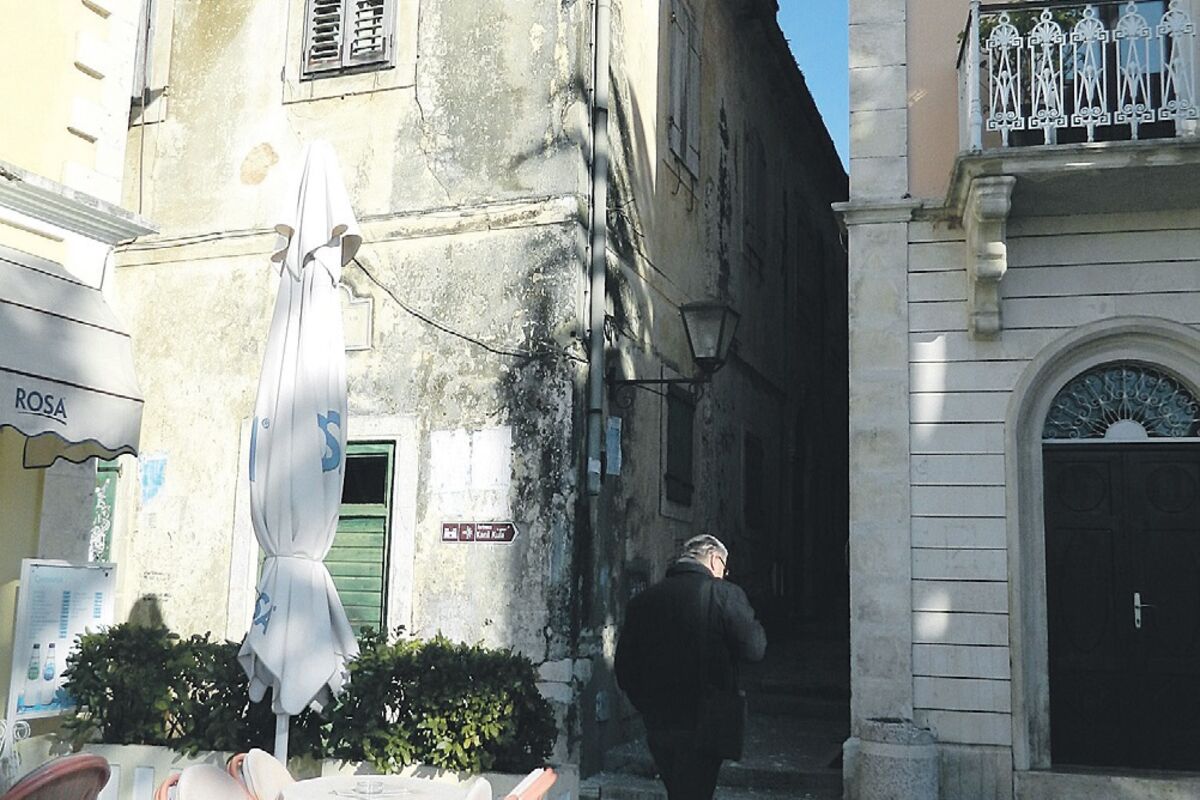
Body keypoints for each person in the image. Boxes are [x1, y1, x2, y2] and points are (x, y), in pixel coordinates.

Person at [614, 534, 767, 800]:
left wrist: (647, 705)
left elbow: (625, 668)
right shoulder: (723, 594)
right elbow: (755, 649)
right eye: (725, 568)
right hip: (706, 720)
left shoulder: (643, 600)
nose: (724, 574)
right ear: (715, 560)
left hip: (659, 721)